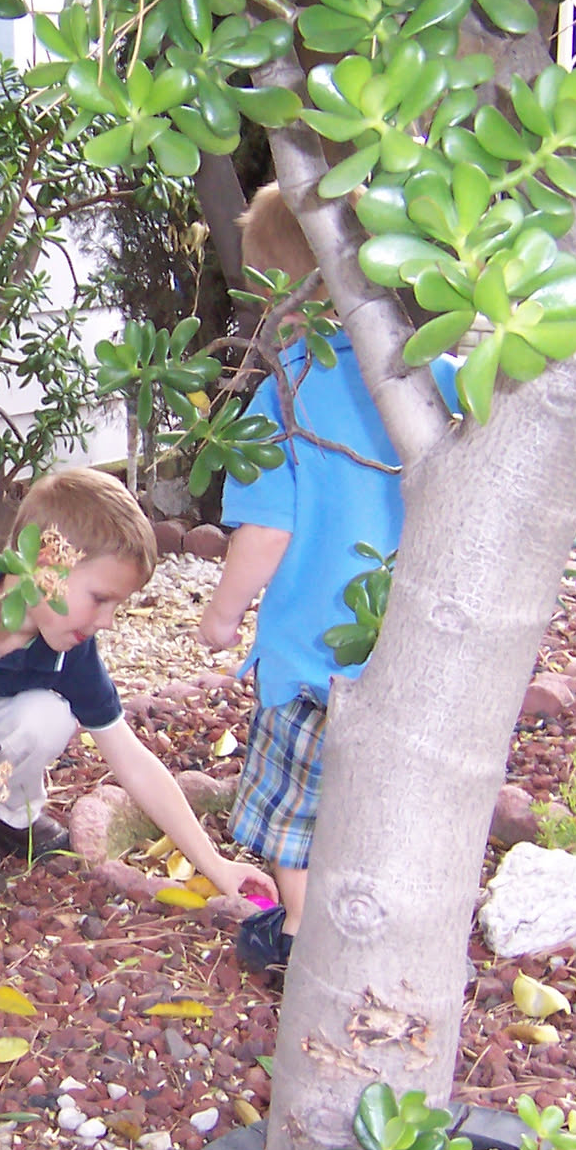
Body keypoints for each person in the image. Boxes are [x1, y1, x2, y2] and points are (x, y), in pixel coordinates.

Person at [197, 185, 457, 976]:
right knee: (387, 802)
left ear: (282, 295)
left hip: (311, 660)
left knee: (296, 814)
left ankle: (304, 937)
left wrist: (222, 615)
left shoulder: (284, 391)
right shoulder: (438, 377)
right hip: (415, 650)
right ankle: (390, 931)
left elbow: (267, 530)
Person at [0, 466, 277, 900]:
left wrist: (216, 865)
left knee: (50, 715)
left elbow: (132, 760)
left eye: (117, 606)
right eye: (100, 599)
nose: (108, 621)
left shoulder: (69, 650)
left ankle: (3, 811)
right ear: (45, 562)